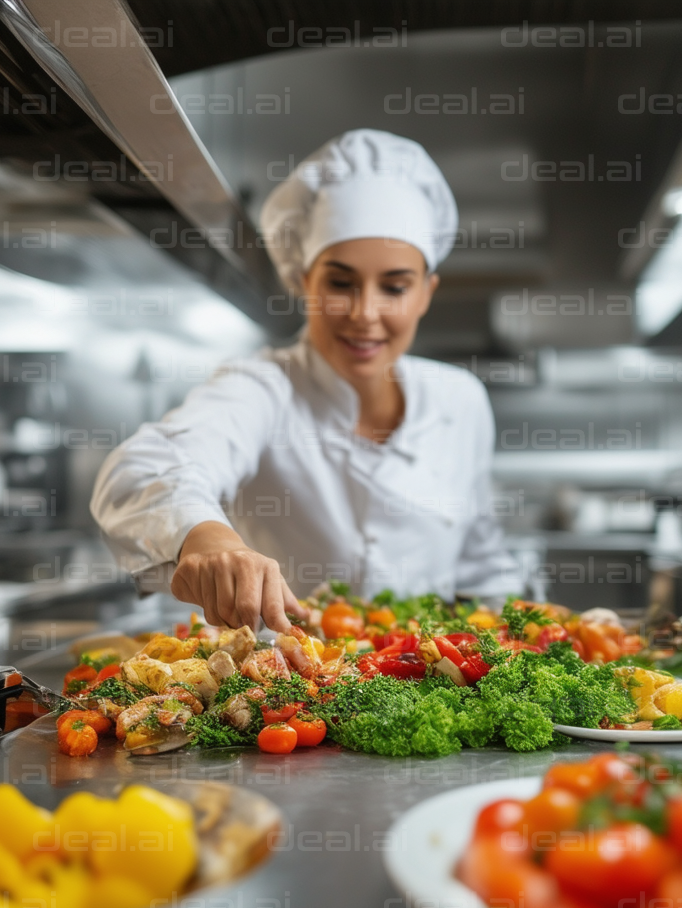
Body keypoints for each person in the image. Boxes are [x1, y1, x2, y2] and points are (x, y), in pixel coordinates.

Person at [91, 129, 522, 632]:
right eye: (340, 282)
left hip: (427, 688)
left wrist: (528, 631)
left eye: (395, 287)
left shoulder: (461, 400)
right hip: (285, 691)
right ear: (302, 281)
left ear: (426, 292)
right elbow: (144, 469)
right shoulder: (263, 388)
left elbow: (481, 566)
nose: (366, 314)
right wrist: (209, 539)